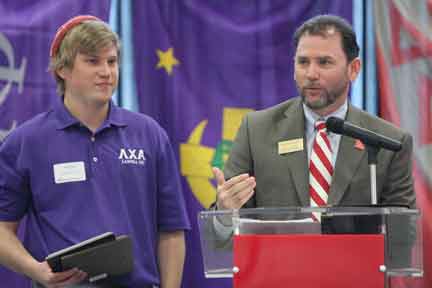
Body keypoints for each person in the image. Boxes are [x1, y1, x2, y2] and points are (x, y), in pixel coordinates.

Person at [0, 15, 190, 288]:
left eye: (111, 61)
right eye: (92, 61)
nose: (106, 71)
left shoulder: (150, 135)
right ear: (62, 69)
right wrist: (37, 270)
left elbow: (171, 230)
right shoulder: (25, 142)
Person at [213, 15, 415, 211]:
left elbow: (401, 234)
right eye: (303, 62)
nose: (311, 74)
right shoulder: (256, 130)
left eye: (324, 62)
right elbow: (223, 226)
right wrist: (224, 211)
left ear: (353, 69)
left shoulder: (389, 142)